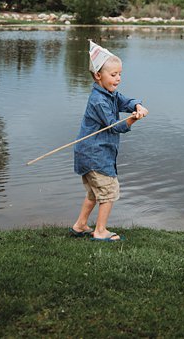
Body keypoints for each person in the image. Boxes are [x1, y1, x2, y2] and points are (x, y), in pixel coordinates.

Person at [69, 39, 149, 243]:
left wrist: (137, 106)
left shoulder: (110, 93)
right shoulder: (98, 100)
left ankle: (80, 225)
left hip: (94, 153)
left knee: (94, 194)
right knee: (108, 192)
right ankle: (100, 231)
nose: (118, 78)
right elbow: (114, 126)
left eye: (120, 74)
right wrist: (132, 119)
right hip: (95, 155)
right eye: (114, 75)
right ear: (98, 76)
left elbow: (126, 101)